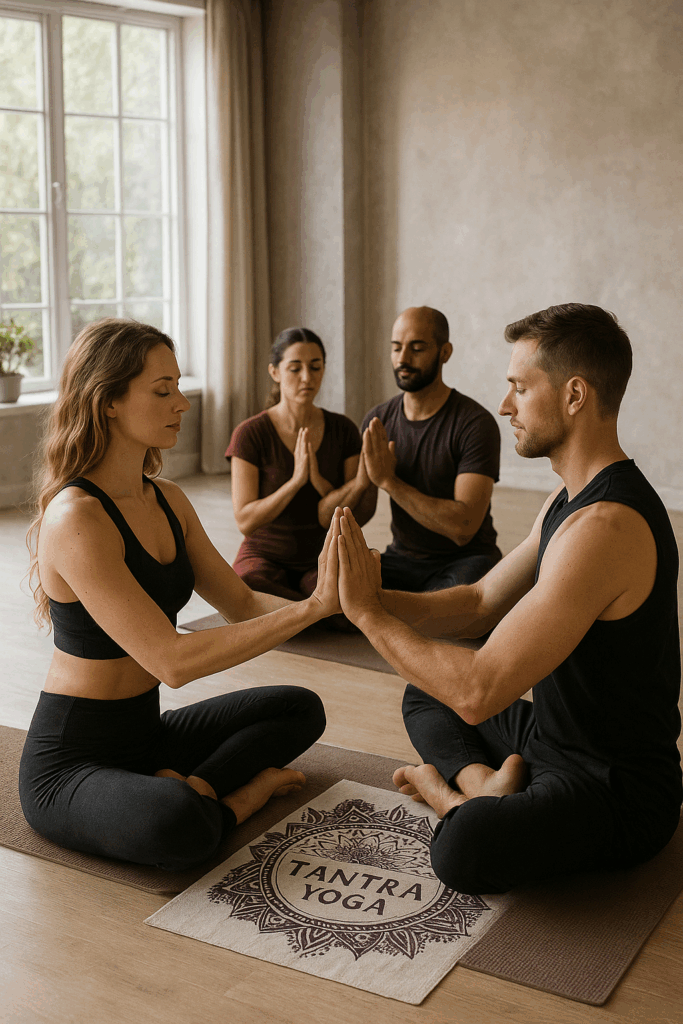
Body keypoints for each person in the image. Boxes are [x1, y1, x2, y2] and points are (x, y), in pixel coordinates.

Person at [332, 302, 682, 895]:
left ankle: (451, 798)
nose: (505, 405)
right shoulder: (566, 500)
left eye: (519, 387)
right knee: (426, 690)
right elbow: (480, 602)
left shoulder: (607, 526)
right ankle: (480, 785)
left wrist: (367, 616)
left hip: (611, 787)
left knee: (465, 851)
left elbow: (479, 690)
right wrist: (365, 596)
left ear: (574, 395)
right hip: (548, 737)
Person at [20, 318, 343, 872]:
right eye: (162, 390)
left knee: (299, 707)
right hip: (72, 762)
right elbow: (171, 661)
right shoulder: (76, 517)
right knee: (174, 824)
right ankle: (235, 798)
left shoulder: (168, 499)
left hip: (148, 736)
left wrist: (345, 605)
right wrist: (313, 607)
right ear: (109, 402)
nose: (182, 404)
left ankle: (197, 785)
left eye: (178, 387)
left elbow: (242, 605)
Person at [226, 327, 374, 602]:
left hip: (322, 554)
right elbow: (246, 521)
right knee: (248, 586)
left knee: (346, 593)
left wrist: (318, 481)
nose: (307, 377)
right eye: (295, 368)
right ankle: (310, 608)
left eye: (315, 367)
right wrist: (295, 481)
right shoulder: (250, 433)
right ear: (275, 372)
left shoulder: (343, 429)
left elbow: (348, 510)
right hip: (265, 556)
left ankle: (300, 607)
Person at [360, 306, 502, 594]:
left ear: (445, 352)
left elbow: (463, 528)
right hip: (401, 559)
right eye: (396, 348)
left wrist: (389, 481)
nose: (403, 359)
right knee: (339, 583)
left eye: (417, 348)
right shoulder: (379, 420)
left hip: (464, 560)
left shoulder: (475, 424)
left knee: (468, 600)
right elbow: (360, 510)